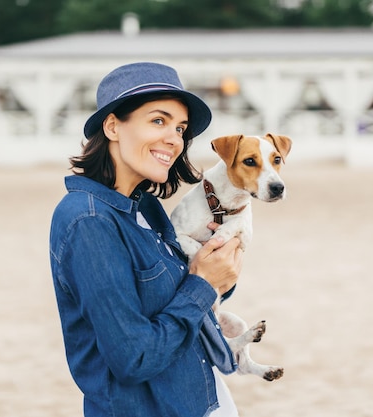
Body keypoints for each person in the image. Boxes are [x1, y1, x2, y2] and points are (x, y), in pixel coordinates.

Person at [49, 62, 243, 417]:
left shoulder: (146, 208)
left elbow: (182, 303)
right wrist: (202, 284)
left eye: (180, 127)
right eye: (158, 120)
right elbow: (134, 357)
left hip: (199, 401)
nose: (175, 138)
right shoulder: (89, 220)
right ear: (112, 126)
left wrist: (218, 270)